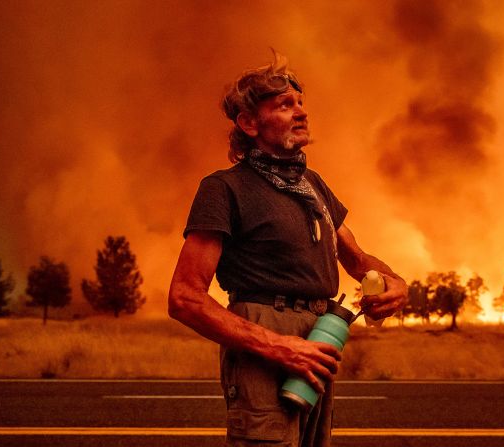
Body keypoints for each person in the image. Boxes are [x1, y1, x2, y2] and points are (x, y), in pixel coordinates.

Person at [168, 52, 408, 447]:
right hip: (266, 335)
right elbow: (184, 298)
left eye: (300, 103)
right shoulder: (225, 188)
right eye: (284, 105)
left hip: (319, 336)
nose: (301, 112)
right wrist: (279, 346)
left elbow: (357, 257)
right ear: (248, 123)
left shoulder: (313, 185)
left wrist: (396, 282)